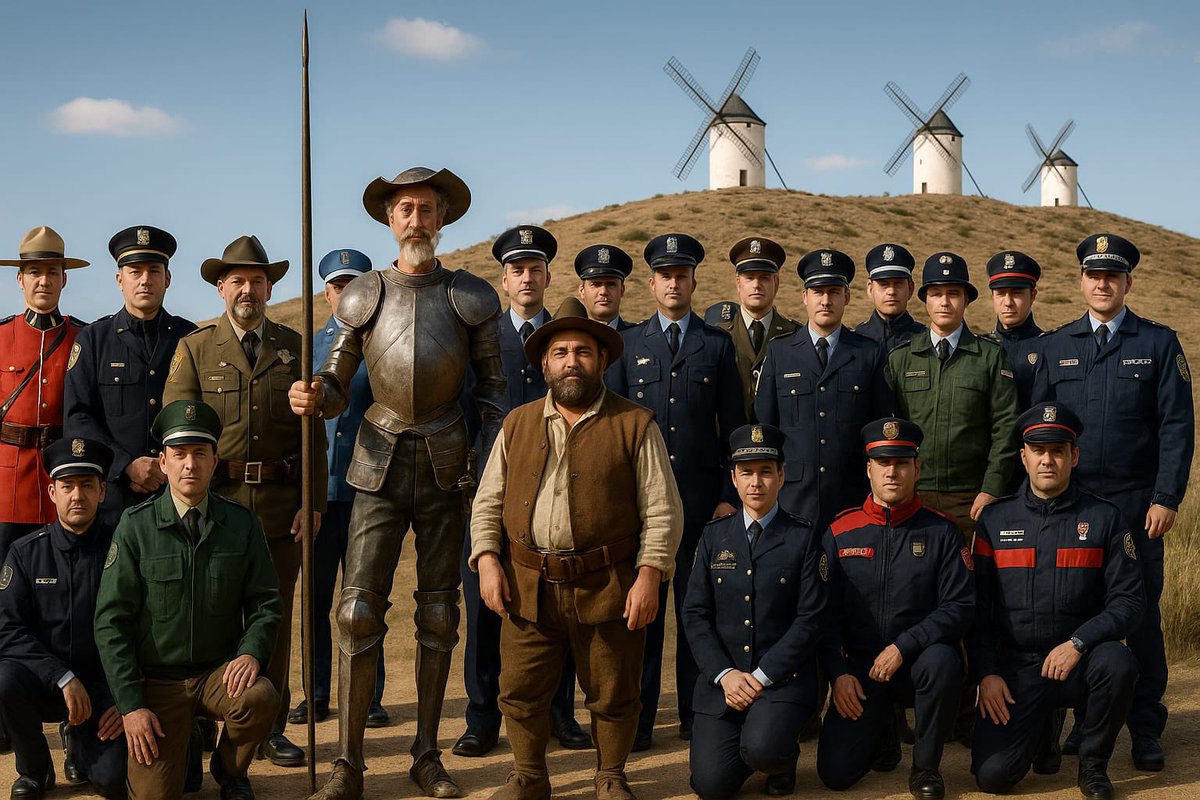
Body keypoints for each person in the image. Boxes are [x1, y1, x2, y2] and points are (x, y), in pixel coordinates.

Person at [290, 166, 506, 800]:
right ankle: (347, 763)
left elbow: (494, 394)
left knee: (440, 613)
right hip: (377, 458)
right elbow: (337, 380)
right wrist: (318, 395)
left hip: (446, 461)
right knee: (357, 611)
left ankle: (426, 755)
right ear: (390, 219)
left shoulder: (472, 295)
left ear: (443, 218)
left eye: (427, 209)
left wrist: (479, 458)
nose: (416, 219)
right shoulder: (362, 294)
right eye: (406, 209)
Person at [468, 296, 683, 800]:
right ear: (544, 363)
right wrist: (487, 561)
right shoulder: (516, 423)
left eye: (582, 351)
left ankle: (610, 775)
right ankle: (529, 776)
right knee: (519, 690)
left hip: (609, 584)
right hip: (528, 585)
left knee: (612, 692)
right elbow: (487, 502)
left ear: (602, 359)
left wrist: (649, 576)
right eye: (560, 352)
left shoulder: (636, 423)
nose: (571, 361)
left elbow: (663, 509)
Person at [1031, 232, 1194, 771]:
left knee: (1140, 616)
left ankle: (1146, 728)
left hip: (1134, 510)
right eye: (1093, 275)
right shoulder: (1056, 347)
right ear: (1080, 280)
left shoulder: (1158, 343)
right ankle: (1083, 721)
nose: (1102, 284)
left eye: (1112, 276)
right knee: (1071, 613)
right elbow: (1035, 434)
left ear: (1128, 281)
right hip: (1072, 510)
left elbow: (1176, 428)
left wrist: (1166, 497)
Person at [163, 234, 324, 768]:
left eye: (257, 280)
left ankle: (270, 726)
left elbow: (314, 436)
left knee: (271, 618)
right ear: (220, 288)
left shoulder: (294, 347)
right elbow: (177, 432)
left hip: (281, 511)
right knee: (209, 616)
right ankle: (205, 724)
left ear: (271, 286)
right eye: (238, 281)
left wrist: (313, 500)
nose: (248, 289)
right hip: (218, 508)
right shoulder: (195, 348)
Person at [94, 400, 282, 800]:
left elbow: (266, 602)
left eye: (200, 454)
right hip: (158, 684)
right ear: (163, 462)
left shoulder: (241, 524)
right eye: (179, 455)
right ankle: (184, 742)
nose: (190, 465)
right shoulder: (136, 526)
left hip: (220, 674)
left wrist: (251, 653)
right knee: (155, 796)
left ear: (216, 461)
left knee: (261, 697)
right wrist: (130, 705)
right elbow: (110, 621)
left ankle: (229, 770)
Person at [605, 232, 744, 751]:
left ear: (693, 281)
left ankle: (696, 712)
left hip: (702, 504)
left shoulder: (717, 345)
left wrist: (728, 497)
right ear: (652, 283)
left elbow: (734, 427)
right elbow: (612, 426)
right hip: (640, 505)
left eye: (682, 275)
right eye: (665, 275)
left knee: (696, 612)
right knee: (642, 613)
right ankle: (638, 719)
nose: (674, 283)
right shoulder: (629, 343)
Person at [456, 225, 589, 758]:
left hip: (560, 498)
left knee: (558, 608)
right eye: (517, 270)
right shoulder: (482, 340)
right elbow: (465, 411)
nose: (527, 278)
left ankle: (560, 713)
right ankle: (481, 718)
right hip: (495, 494)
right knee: (485, 609)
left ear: (548, 277)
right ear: (504, 281)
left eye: (536, 269)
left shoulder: (569, 338)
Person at [971, 402, 1143, 800]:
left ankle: (1093, 765)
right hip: (1018, 670)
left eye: (1058, 451)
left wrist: (1079, 643)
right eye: (1039, 451)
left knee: (1118, 663)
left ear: (1074, 456)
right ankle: (1042, 732)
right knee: (992, 777)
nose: (1048, 460)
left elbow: (1129, 603)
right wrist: (986, 673)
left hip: (1078, 663)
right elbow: (978, 609)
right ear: (1024, 457)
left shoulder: (1104, 518)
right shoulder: (995, 521)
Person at [817, 417, 973, 800]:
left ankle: (925, 767)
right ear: (868, 469)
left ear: (917, 468)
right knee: (835, 775)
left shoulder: (942, 531)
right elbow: (821, 614)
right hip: (861, 671)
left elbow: (960, 606)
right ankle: (883, 732)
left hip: (917, 662)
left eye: (902, 463)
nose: (892, 472)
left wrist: (904, 646)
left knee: (943, 661)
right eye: (883, 463)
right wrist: (838, 674)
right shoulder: (840, 532)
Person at [683, 423, 825, 799]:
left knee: (762, 749)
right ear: (733, 477)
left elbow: (810, 620)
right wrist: (725, 674)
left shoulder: (804, 537)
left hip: (781, 681)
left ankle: (780, 754)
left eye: (766, 471)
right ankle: (754, 742)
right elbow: (695, 614)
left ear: (781, 476)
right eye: (746, 472)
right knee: (710, 786)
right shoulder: (714, 536)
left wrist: (760, 677)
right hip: (724, 683)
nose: (756, 482)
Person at [287, 249, 388, 729]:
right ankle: (318, 693)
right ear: (325, 292)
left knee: (367, 598)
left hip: (372, 488)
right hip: (323, 493)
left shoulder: (387, 342)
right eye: (335, 286)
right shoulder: (310, 348)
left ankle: (368, 697)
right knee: (318, 598)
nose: (343, 294)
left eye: (353, 285)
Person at [0, 437, 126, 799]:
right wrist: (62, 676)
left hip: (104, 689)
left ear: (102, 492)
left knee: (113, 782)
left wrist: (127, 698)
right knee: (4, 678)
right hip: (46, 681)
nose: (77, 496)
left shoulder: (123, 550)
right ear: (52, 491)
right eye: (67, 486)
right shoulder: (25, 553)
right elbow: (7, 629)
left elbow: (144, 628)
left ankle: (81, 744)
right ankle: (35, 771)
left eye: (87, 485)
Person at [64, 225, 197, 526]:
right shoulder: (93, 340)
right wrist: (126, 465)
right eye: (135, 271)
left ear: (168, 278)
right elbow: (78, 417)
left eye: (154, 270)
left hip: (176, 496)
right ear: (119, 279)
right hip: (112, 501)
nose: (145, 280)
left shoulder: (189, 338)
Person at [754, 248, 890, 532]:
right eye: (817, 292)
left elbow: (878, 425)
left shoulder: (868, 353)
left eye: (834, 291)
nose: (825, 300)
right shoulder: (780, 352)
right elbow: (766, 427)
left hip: (851, 497)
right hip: (792, 499)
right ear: (805, 297)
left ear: (847, 297)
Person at [885, 252, 1018, 538]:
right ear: (924, 299)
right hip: (913, 496)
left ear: (967, 299)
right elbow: (889, 428)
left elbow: (1006, 427)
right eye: (936, 293)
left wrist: (991, 488)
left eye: (953, 294)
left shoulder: (990, 357)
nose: (944, 302)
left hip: (971, 499)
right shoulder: (902, 359)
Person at [0, 226, 88, 566]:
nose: (44, 281)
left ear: (64, 280)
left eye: (53, 272)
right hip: (7, 487)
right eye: (35, 272)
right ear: (20, 279)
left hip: (63, 482)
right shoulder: (2, 336)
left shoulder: (83, 338)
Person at [703, 237, 799, 420]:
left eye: (764, 277)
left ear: (776, 282)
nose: (756, 285)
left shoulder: (795, 335)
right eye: (749, 278)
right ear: (738, 284)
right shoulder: (716, 337)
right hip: (727, 444)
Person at [983, 250, 1042, 412]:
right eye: (1001, 293)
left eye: (1017, 293)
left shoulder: (1050, 348)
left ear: (1033, 295)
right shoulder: (978, 348)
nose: (1008, 302)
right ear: (992, 297)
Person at [854, 243, 926, 353]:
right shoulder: (853, 341)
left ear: (910, 289)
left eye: (898, 284)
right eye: (884, 284)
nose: (891, 291)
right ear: (870, 289)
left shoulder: (927, 340)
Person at [575, 244, 636, 330]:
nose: (603, 291)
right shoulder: (568, 339)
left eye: (611, 284)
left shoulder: (640, 338)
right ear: (582, 291)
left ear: (622, 290)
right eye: (596, 284)